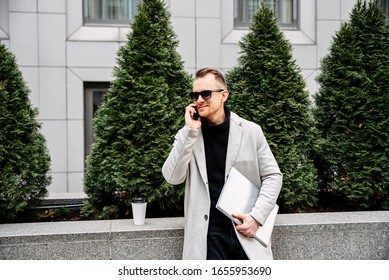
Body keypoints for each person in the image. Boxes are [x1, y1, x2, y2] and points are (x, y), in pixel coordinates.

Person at [162, 68, 282, 260]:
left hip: (245, 233)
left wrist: (257, 217)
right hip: (207, 238)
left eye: (206, 94)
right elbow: (172, 177)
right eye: (195, 95)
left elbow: (273, 176)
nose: (199, 99)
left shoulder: (251, 131)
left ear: (223, 95)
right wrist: (190, 131)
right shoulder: (188, 135)